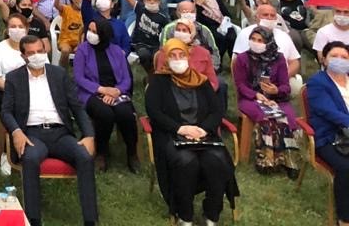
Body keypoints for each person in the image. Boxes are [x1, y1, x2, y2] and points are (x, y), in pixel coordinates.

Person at [0, 35, 98, 226]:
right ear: (23, 56)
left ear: (45, 51)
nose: (37, 55)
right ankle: (33, 219)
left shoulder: (58, 74)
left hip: (60, 133)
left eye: (40, 51)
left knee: (84, 157)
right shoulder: (14, 78)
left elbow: (76, 107)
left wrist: (89, 135)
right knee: (30, 158)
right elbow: (6, 111)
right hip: (32, 134)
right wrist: (17, 131)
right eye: (31, 53)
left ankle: (90, 220)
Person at [145, 38, 238, 226]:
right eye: (173, 56)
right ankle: (184, 214)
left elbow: (216, 110)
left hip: (203, 135)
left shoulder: (201, 81)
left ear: (187, 57)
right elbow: (154, 112)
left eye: (181, 55)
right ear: (166, 59)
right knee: (186, 162)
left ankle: (211, 214)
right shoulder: (158, 82)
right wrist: (180, 128)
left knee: (217, 160)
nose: (178, 59)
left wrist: (203, 129)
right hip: (172, 134)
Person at [233, 26, 301, 176]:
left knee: (284, 116)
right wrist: (256, 95)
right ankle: (267, 160)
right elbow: (240, 85)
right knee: (266, 117)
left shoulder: (279, 58)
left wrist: (275, 91)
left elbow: (285, 86)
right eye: (253, 39)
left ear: (269, 42)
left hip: (277, 99)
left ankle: (288, 160)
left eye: (260, 40)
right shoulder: (243, 58)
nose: (256, 43)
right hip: (251, 99)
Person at [73, 19, 138, 171]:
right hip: (91, 92)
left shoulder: (116, 51)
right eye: (89, 30)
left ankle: (132, 153)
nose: (90, 34)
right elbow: (79, 78)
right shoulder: (82, 50)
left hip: (116, 92)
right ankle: (101, 152)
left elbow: (126, 78)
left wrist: (116, 91)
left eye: (94, 32)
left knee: (126, 113)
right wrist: (101, 89)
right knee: (105, 114)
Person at [306, 41, 349, 226]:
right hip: (329, 137)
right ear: (324, 59)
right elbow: (329, 112)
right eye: (334, 56)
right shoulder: (317, 82)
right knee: (346, 168)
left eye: (344, 57)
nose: (339, 60)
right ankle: (344, 218)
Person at [0, 12, 28, 111]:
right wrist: (16, 91)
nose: (17, 29)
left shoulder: (34, 46)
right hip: (3, 91)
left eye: (20, 26)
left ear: (27, 30)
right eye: (13, 26)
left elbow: (45, 70)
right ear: (7, 30)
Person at [54, 0, 85, 65]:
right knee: (65, 51)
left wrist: (80, 45)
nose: (84, 1)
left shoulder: (85, 12)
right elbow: (56, 5)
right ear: (74, 0)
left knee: (83, 51)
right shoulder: (66, 9)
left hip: (79, 42)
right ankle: (63, 70)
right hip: (65, 41)